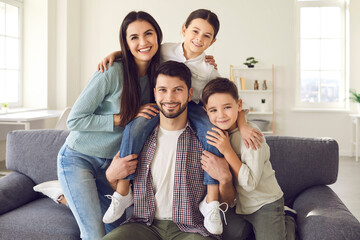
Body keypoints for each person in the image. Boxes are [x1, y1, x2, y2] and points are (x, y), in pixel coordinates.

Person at [101, 9, 262, 235]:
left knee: (212, 133)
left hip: (194, 108)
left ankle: (211, 203)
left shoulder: (209, 69)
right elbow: (142, 51)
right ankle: (123, 193)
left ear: (213, 41)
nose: (199, 39)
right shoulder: (166, 49)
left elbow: (227, 99)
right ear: (184, 30)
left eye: (207, 36)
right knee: (134, 126)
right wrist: (116, 54)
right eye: (195, 31)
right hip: (159, 108)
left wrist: (243, 124)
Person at [55, 11, 163, 240]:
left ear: (158, 36)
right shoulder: (111, 72)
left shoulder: (159, 75)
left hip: (111, 167)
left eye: (148, 34)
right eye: (133, 37)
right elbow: (74, 119)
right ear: (125, 42)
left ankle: (70, 199)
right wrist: (123, 117)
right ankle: (69, 195)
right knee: (93, 233)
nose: (143, 42)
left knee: (115, 233)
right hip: (78, 158)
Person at [103, 60, 236, 240]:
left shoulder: (209, 139)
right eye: (163, 90)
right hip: (143, 225)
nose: (170, 98)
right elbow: (123, 186)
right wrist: (111, 177)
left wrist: (225, 179)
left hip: (192, 229)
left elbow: (229, 202)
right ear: (155, 93)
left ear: (190, 94)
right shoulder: (139, 137)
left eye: (178, 90)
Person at [201, 78, 297, 240]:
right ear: (206, 111)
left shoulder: (252, 135)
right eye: (213, 110)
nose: (221, 115)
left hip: (264, 203)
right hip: (238, 207)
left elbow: (249, 184)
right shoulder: (217, 132)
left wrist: (227, 150)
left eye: (227, 107)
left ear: (239, 105)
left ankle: (287, 217)